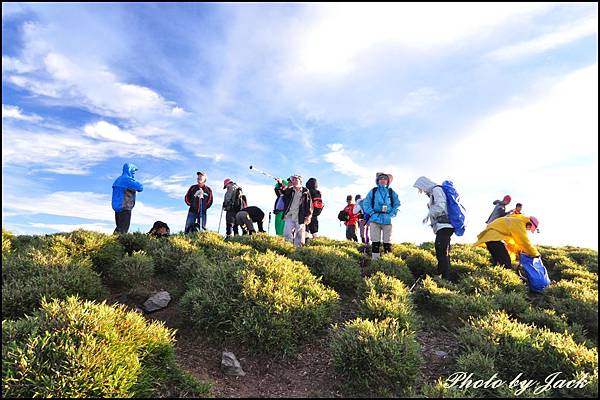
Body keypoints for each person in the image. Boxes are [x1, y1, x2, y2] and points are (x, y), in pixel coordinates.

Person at [413, 176, 454, 280]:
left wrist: (429, 215)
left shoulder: (436, 190)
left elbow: (440, 206)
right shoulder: (435, 191)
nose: (423, 192)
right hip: (445, 226)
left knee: (441, 252)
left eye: (422, 189)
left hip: (444, 226)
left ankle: (444, 277)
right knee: (444, 252)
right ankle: (444, 276)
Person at [474, 214, 540, 269]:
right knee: (506, 264)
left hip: (490, 238)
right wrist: (535, 254)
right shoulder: (520, 223)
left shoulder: (515, 220)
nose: (528, 229)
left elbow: (510, 242)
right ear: (529, 223)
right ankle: (501, 279)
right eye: (529, 228)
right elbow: (524, 241)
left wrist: (518, 251)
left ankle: (490, 277)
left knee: (497, 263)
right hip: (494, 239)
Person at [362, 173, 400, 260]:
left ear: (387, 181)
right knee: (375, 242)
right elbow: (366, 203)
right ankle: (375, 261)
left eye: (385, 179)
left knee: (387, 242)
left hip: (387, 220)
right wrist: (372, 213)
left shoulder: (391, 192)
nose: (383, 180)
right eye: (381, 178)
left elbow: (397, 203)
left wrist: (392, 213)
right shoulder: (373, 191)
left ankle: (388, 261)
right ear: (378, 181)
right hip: (375, 219)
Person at [279, 175, 313, 247]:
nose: (293, 181)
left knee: (299, 236)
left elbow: (309, 205)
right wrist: (280, 183)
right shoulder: (290, 190)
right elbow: (283, 191)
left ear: (300, 181)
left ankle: (298, 252)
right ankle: (287, 248)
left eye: (295, 179)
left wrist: (308, 216)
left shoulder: (306, 191)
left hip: (300, 216)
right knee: (287, 233)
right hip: (289, 215)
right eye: (292, 180)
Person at [111, 162, 143, 234]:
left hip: (117, 208)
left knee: (119, 228)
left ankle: (111, 242)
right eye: (133, 172)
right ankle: (117, 244)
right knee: (123, 231)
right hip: (125, 207)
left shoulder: (118, 179)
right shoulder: (127, 180)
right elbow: (140, 188)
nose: (133, 174)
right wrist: (133, 179)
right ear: (130, 170)